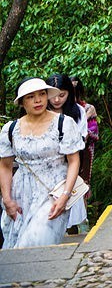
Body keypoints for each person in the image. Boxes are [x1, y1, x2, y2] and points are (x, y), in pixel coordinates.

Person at [0, 78, 85, 249]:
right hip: (21, 192)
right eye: (31, 97)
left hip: (54, 191)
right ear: (22, 102)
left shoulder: (63, 123)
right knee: (15, 247)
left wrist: (65, 195)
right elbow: (5, 166)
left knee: (36, 240)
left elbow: (74, 160)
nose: (38, 100)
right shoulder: (10, 129)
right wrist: (7, 200)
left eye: (41, 94)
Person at [45, 75, 89, 233]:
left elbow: (81, 139)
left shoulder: (78, 112)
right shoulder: (41, 112)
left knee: (70, 204)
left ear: (69, 93)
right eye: (53, 96)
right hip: (47, 165)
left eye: (62, 95)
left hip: (70, 163)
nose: (57, 100)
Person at [69, 78, 99, 200]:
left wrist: (83, 132)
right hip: (65, 151)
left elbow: (94, 130)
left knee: (82, 183)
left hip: (84, 149)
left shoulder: (88, 108)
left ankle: (83, 215)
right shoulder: (59, 109)